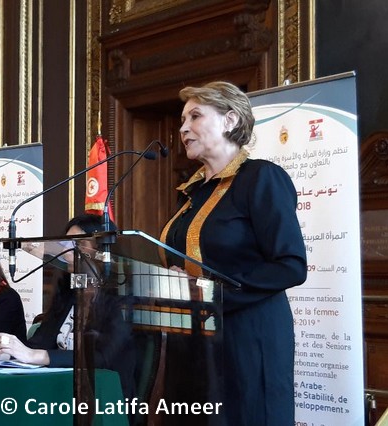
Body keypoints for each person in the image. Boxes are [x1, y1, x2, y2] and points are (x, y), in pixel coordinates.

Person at [159, 81, 307, 424]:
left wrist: (211, 293)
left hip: (248, 340)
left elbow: (290, 266)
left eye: (195, 116)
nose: (183, 128)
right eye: (182, 119)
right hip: (194, 339)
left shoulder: (261, 179)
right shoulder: (192, 193)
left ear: (230, 120)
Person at [0, 214, 136, 398]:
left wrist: (39, 356)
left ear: (103, 249)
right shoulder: (68, 294)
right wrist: (5, 351)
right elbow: (38, 343)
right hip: (61, 387)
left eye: (77, 243)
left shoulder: (120, 299)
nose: (67, 252)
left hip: (104, 394)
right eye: (65, 244)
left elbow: (103, 358)